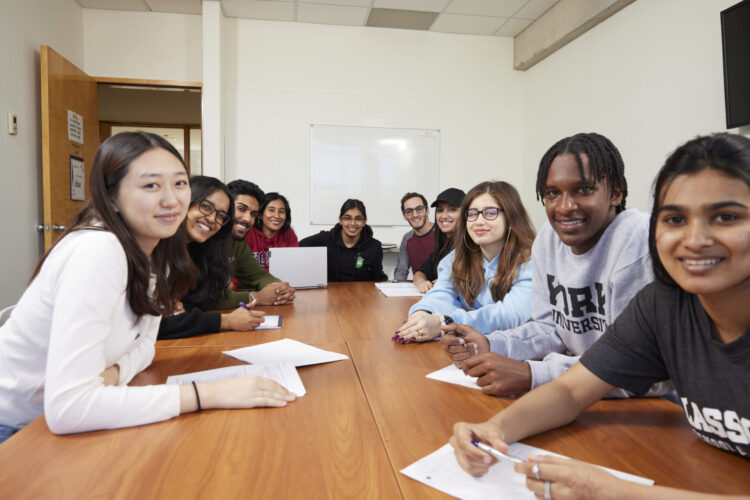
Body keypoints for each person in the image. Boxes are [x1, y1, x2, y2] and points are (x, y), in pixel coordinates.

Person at [449, 132, 750, 499]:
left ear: (617, 194)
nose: (695, 239)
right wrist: (493, 428)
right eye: (675, 219)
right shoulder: (663, 305)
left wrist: (612, 492)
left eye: (725, 217)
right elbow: (571, 389)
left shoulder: (633, 249)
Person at [0, 132, 294, 443]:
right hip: (19, 431)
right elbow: (70, 408)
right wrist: (208, 394)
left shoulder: (158, 255)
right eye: (151, 185)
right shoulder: (98, 250)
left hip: (66, 424)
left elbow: (145, 349)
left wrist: (113, 372)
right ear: (111, 196)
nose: (171, 199)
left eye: (179, 184)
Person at [441, 133, 662, 398]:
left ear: (616, 193)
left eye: (584, 190)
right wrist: (491, 343)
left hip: (652, 411)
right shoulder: (549, 239)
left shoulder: (637, 239)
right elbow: (550, 329)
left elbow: (639, 366)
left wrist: (533, 375)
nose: (565, 206)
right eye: (553, 193)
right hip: (582, 397)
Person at [394, 181, 535, 343]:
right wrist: (422, 314)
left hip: (520, 349)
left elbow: (510, 315)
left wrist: (444, 322)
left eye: (490, 213)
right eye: (472, 213)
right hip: (473, 344)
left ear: (511, 217)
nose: (479, 221)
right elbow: (442, 293)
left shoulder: (530, 260)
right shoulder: (456, 258)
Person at [158, 176, 269, 340]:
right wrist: (226, 321)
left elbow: (199, 301)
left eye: (221, 216)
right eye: (205, 207)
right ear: (184, 202)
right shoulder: (155, 247)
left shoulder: (200, 249)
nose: (212, 219)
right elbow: (148, 324)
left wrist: (182, 309)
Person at [226, 179, 295, 306]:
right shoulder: (205, 239)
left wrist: (281, 290)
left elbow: (258, 275)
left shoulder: (237, 241)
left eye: (253, 214)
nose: (247, 218)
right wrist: (255, 297)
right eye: (241, 209)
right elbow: (207, 297)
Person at [299, 199, 387, 282]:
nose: (353, 223)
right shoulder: (325, 239)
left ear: (364, 222)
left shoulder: (374, 246)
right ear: (340, 220)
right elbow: (300, 245)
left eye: (358, 219)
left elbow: (378, 277)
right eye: (347, 218)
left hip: (360, 295)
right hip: (331, 295)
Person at [412, 188, 465, 293]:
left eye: (452, 210)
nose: (444, 216)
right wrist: (422, 283)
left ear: (465, 213)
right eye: (440, 210)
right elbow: (420, 273)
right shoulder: (442, 246)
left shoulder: (469, 246)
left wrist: (439, 282)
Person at [246, 192, 298, 271]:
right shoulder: (248, 233)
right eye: (271, 210)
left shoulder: (288, 233)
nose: (277, 216)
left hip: (281, 282)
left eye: (281, 211)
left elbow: (295, 266)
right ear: (260, 214)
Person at [394, 192, 435, 281]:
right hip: (418, 289)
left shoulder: (442, 233)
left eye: (419, 209)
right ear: (404, 216)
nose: (415, 215)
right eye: (409, 211)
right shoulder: (407, 238)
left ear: (427, 211)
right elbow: (401, 270)